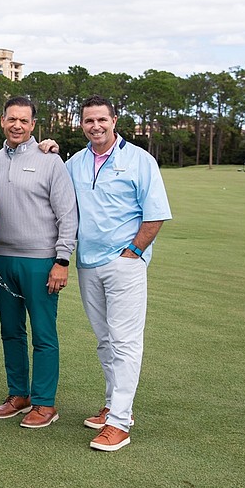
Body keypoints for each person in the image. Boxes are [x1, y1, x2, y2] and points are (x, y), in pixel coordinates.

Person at [66, 95, 172, 452]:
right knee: (105, 340)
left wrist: (134, 252)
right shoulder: (75, 162)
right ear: (82, 125)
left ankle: (120, 422)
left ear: (114, 121)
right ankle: (113, 404)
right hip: (88, 263)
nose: (95, 126)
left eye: (101, 120)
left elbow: (154, 213)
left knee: (125, 341)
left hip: (125, 263)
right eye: (88, 121)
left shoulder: (140, 160)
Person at [0, 97, 77, 429]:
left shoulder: (51, 161)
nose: (17, 125)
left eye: (24, 120)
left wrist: (62, 260)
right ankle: (18, 394)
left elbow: (68, 215)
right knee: (11, 332)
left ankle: (44, 402)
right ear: (2, 121)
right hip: (1, 259)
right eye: (11, 119)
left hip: (41, 261)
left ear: (33, 124)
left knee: (43, 334)